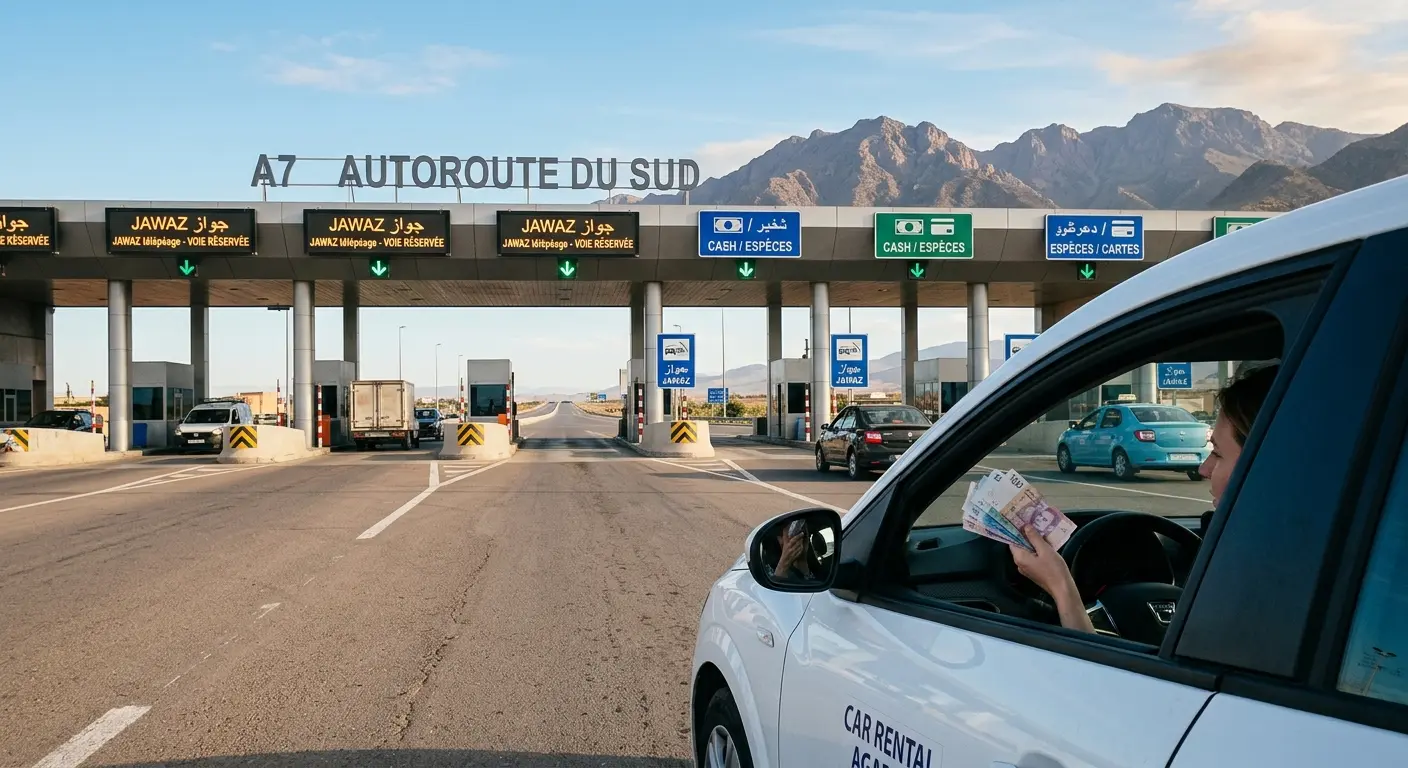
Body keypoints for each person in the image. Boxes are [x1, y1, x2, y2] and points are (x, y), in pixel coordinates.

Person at [1010, 364, 1280, 634]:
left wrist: (1061, 587)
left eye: (1218, 454)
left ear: (1263, 464)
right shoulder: (1283, 557)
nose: (1203, 469)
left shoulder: (1257, 583)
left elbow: (1103, 677)